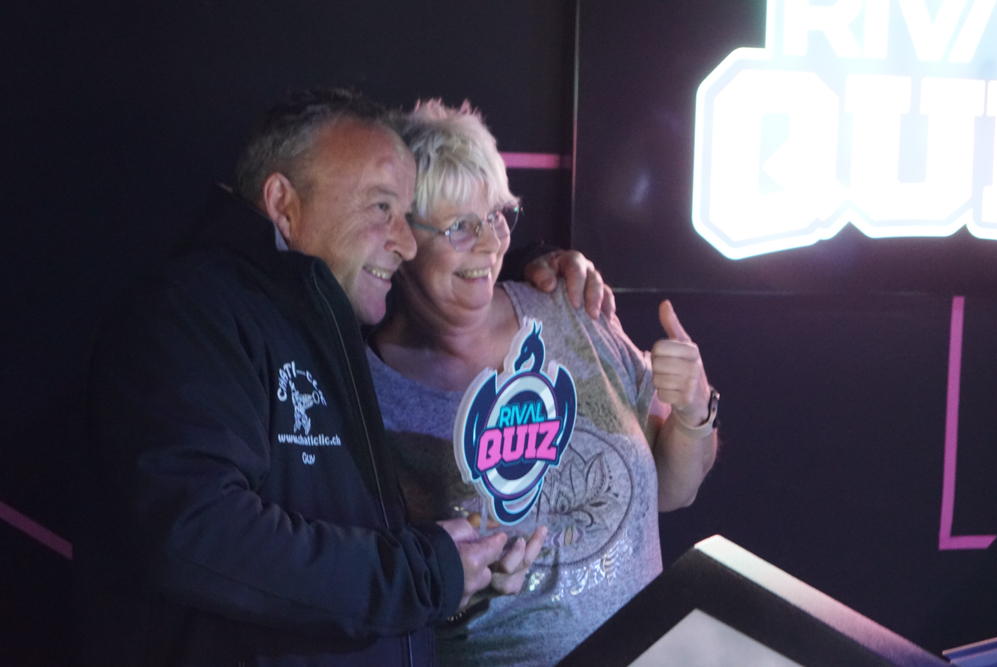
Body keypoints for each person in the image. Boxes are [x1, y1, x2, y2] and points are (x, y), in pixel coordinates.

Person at [79, 88, 611, 667]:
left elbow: (342, 585)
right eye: (382, 208)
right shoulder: (188, 314)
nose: (405, 244)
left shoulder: (326, 323)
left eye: (407, 216)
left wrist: (458, 578)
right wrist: (423, 576)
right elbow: (195, 533)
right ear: (283, 203)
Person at [367, 100, 719, 666]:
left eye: (496, 217)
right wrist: (458, 590)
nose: (489, 245)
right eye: (460, 227)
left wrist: (693, 412)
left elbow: (674, 491)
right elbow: (372, 597)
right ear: (404, 238)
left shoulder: (570, 309)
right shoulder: (369, 392)